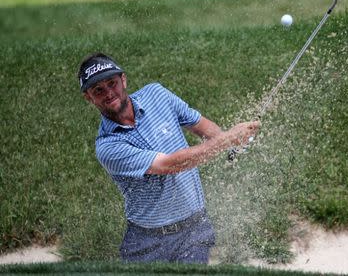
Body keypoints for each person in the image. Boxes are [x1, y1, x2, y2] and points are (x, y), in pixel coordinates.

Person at [78, 52, 259, 264]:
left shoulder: (157, 95)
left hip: (195, 231)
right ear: (88, 97)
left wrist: (233, 143)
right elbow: (169, 164)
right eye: (98, 90)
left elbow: (201, 125)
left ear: (123, 80)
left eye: (112, 83)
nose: (109, 93)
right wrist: (227, 140)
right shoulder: (108, 146)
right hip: (147, 243)